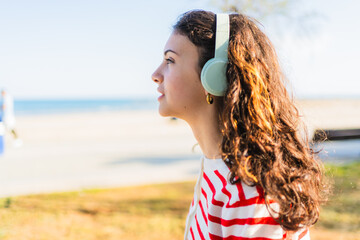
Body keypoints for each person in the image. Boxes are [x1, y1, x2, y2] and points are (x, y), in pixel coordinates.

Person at [152, 10, 327, 240]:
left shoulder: (250, 192)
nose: (156, 74)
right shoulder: (216, 167)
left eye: (170, 60)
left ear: (215, 76)